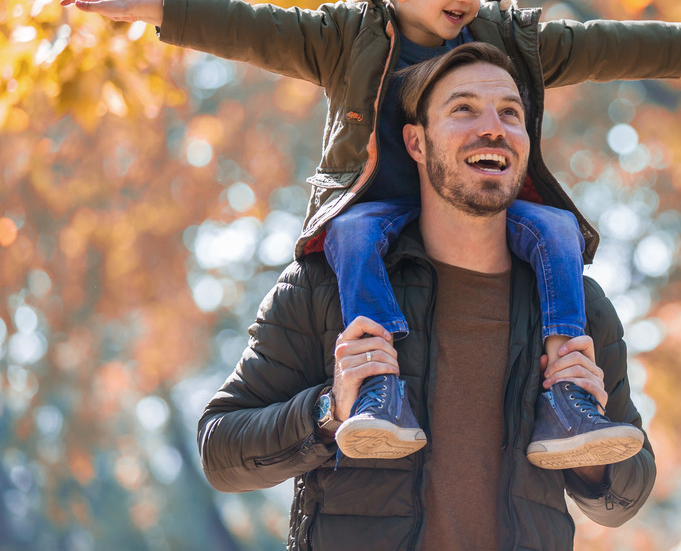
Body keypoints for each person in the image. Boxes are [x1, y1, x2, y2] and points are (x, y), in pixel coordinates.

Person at [61, 0, 681, 468]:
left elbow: (596, 47)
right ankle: (381, 385)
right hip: (378, 206)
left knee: (559, 226)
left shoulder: (506, 38)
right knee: (350, 232)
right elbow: (245, 27)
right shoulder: (344, 38)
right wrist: (145, 9)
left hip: (476, 211)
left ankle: (566, 387)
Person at [198, 44, 656, 550]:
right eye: (463, 109)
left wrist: (593, 454)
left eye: (510, 112)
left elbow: (628, 496)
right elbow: (221, 451)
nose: (493, 128)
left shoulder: (578, 308)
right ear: (416, 143)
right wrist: (331, 411)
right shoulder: (327, 287)